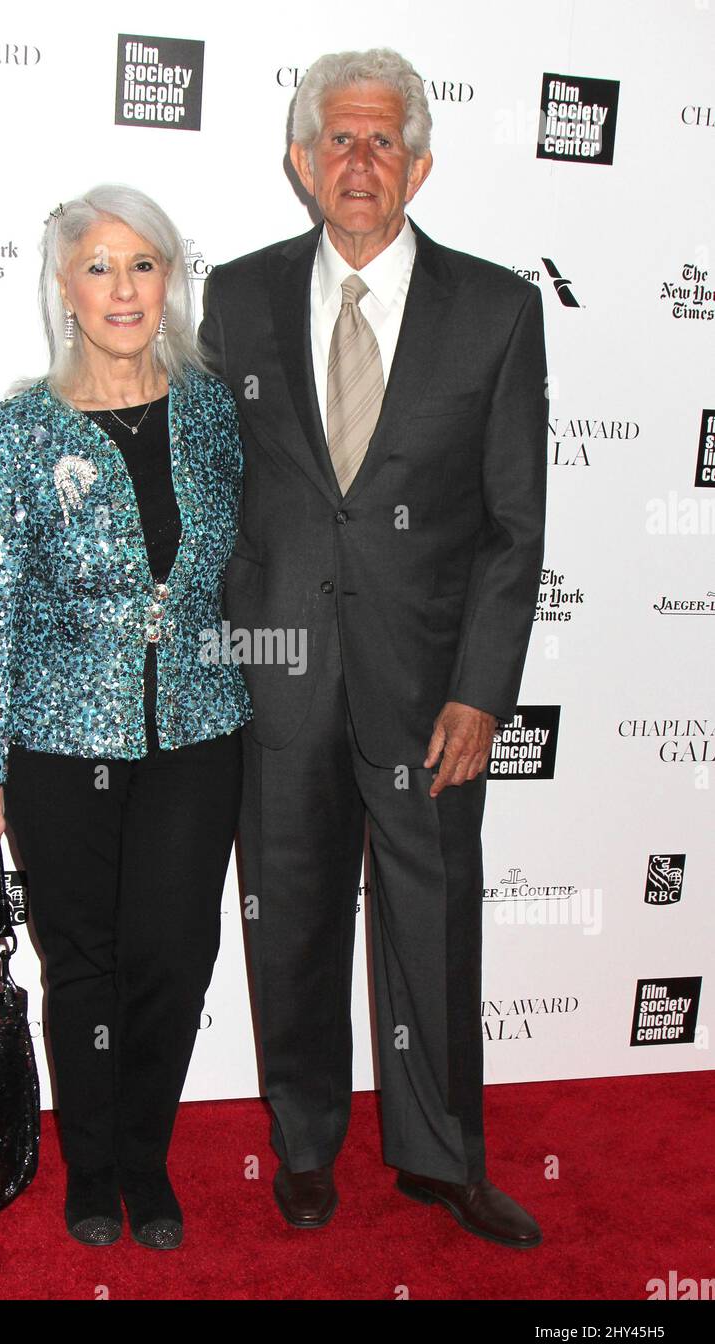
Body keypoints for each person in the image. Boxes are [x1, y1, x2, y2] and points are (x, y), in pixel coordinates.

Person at [198, 48, 548, 1248]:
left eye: (381, 140)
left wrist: (483, 695)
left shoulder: (497, 308)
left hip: (429, 693)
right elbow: (213, 496)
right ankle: (304, 1143)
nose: (359, 161)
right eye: (337, 141)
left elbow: (514, 527)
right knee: (288, 914)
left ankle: (442, 1156)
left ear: (422, 163)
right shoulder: (236, 299)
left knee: (433, 917)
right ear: (302, 163)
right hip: (277, 676)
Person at [0, 183, 252, 1250]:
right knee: (81, 961)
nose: (123, 287)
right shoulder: (12, 437)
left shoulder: (217, 412)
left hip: (200, 728)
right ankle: (92, 1167)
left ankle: (146, 1158)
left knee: (172, 952)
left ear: (169, 279)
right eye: (99, 266)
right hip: (58, 739)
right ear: (65, 287)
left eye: (143, 263)